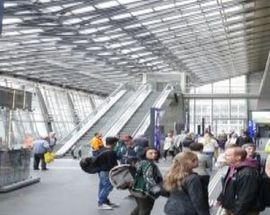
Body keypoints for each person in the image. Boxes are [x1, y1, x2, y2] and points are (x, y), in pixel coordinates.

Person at [217, 147, 260, 215]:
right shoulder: (234, 167)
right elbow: (227, 184)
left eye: (228, 155)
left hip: (243, 211)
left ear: (238, 157)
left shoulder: (248, 173)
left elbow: (245, 197)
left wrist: (237, 212)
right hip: (233, 208)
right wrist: (221, 198)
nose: (225, 157)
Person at [130, 147, 163, 215]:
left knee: (140, 207)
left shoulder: (141, 162)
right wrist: (156, 189)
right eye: (150, 153)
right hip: (145, 191)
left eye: (155, 153)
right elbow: (148, 177)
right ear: (145, 154)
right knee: (145, 209)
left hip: (137, 189)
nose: (154, 155)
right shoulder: (149, 164)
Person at [95, 136, 119, 210]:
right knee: (108, 186)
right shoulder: (111, 152)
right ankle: (101, 203)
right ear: (114, 143)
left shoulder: (101, 149)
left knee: (102, 186)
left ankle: (105, 201)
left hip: (100, 171)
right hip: (107, 171)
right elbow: (113, 165)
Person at [189, 143, 210, 210]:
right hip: (203, 174)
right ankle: (205, 206)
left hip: (190, 174)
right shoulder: (205, 156)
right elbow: (209, 166)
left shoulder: (187, 156)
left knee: (192, 191)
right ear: (201, 149)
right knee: (204, 191)